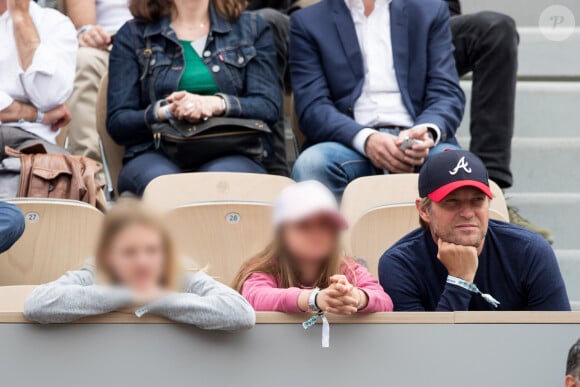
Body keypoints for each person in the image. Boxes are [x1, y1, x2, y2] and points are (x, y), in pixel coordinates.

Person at [107, 0, 285, 196]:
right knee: (167, 189)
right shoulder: (133, 35)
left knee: (219, 184)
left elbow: (268, 106)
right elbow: (118, 122)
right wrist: (166, 110)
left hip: (233, 149)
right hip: (155, 151)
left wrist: (216, 104)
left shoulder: (252, 28)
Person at [289, 0, 465, 198]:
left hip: (418, 140)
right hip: (348, 143)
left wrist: (428, 130)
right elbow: (313, 107)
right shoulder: (308, 21)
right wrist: (367, 140)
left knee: (457, 165)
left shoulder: (430, 11)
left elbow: (446, 92)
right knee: (312, 165)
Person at [379, 150, 570, 311]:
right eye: (452, 202)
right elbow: (424, 352)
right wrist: (460, 280)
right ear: (424, 210)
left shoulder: (530, 251)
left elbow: (558, 343)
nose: (467, 213)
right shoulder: (400, 264)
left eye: (477, 200)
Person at [24, 200, 256, 329]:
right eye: (129, 252)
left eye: (152, 250)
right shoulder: (95, 271)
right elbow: (37, 303)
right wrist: (126, 294)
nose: (142, 261)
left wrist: (154, 299)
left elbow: (241, 313)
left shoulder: (179, 272)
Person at [233, 180, 393, 314]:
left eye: (325, 225)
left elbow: (385, 302)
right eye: (304, 225)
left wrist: (354, 297)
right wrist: (314, 299)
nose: (316, 233)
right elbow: (255, 298)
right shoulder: (264, 270)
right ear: (282, 233)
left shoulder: (348, 269)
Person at [0, 0, 76, 156]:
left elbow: (49, 97)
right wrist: (37, 115)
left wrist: (21, 18)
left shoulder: (55, 23)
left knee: (55, 171)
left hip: (31, 141)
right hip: (31, 130)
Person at [65, 0, 133, 162]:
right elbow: (83, 24)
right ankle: (90, 175)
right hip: (107, 45)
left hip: (164, 39)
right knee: (84, 60)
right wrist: (89, 34)